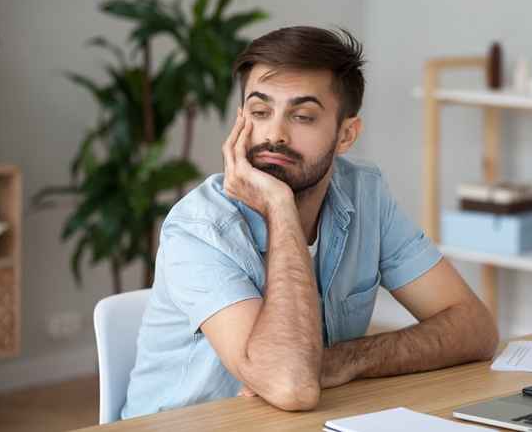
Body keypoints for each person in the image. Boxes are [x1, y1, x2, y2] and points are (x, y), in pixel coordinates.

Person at [121, 26, 498, 419]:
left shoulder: (363, 193)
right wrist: (281, 207)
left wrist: (346, 359)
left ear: (346, 134)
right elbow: (291, 385)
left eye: (302, 116)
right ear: (240, 123)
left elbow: (475, 328)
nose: (275, 135)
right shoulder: (200, 227)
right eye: (260, 112)